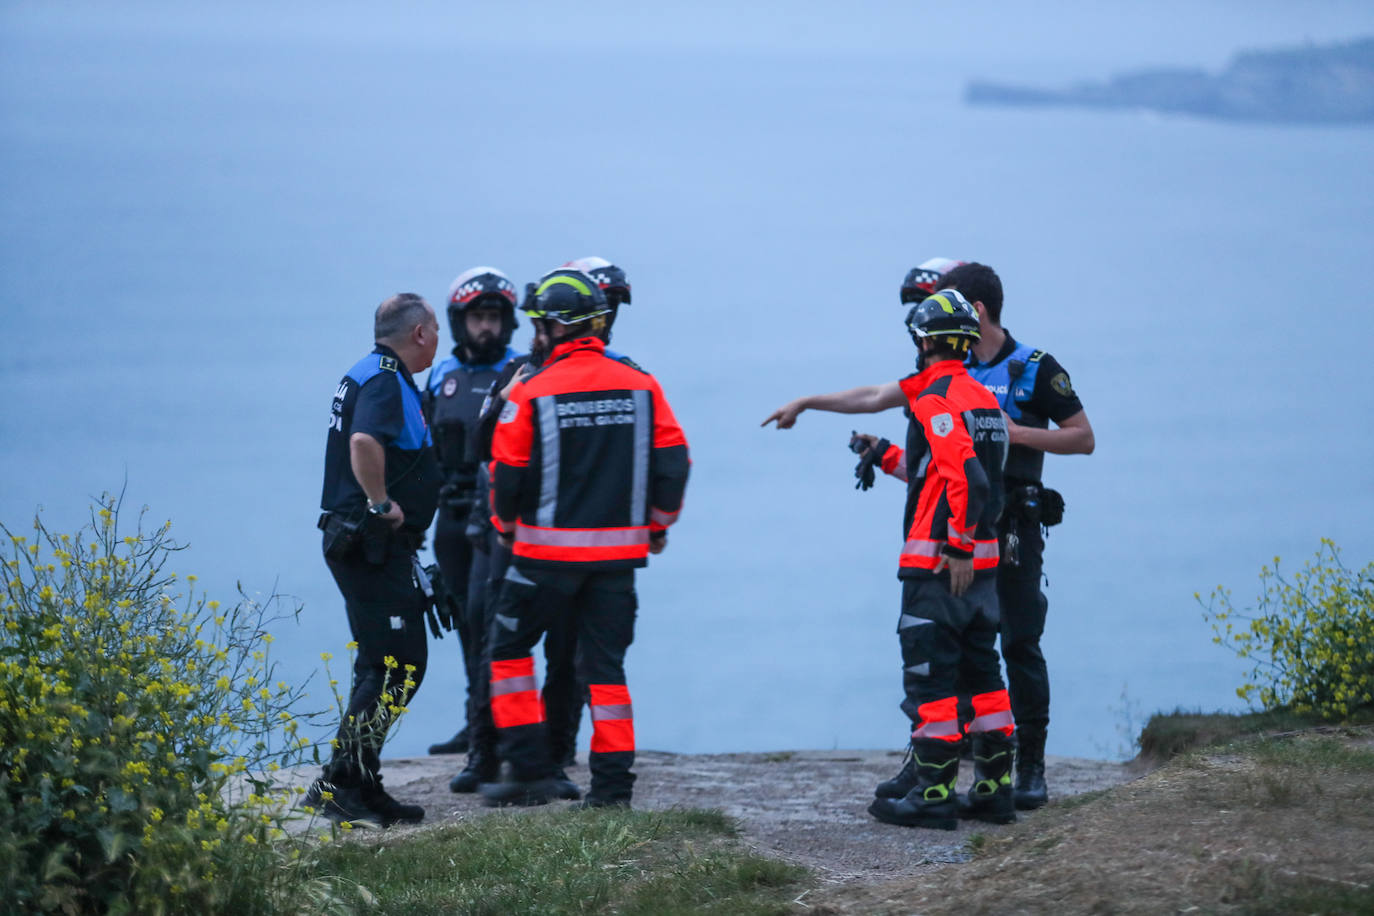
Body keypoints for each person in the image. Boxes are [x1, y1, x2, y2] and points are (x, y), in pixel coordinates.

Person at [762, 289, 1017, 829]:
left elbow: (964, 479)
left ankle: (932, 795)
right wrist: (881, 451)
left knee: (931, 680)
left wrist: (956, 548)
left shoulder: (934, 399)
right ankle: (995, 788)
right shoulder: (981, 398)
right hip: (985, 567)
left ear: (923, 342)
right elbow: (935, 461)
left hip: (941, 566)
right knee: (983, 676)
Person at [480, 267, 689, 808]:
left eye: (539, 325)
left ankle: (528, 767)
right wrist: (658, 525)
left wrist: (504, 529)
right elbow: (674, 463)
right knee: (606, 674)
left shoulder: (531, 390)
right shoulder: (642, 385)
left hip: (542, 556)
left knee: (507, 651)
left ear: (553, 328)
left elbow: (507, 471)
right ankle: (613, 790)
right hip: (618, 560)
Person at [937, 262, 1094, 810]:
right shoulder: (949, 367)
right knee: (960, 643)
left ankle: (1031, 768)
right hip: (962, 527)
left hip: (1016, 529)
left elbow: (1083, 438)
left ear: (976, 311)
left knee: (1020, 642)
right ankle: (980, 766)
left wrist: (1019, 432)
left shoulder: (1034, 368)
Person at [307, 293, 444, 828]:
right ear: (418, 334)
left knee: (382, 663)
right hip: (368, 543)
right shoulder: (386, 380)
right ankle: (341, 784)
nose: (438, 337)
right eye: (435, 328)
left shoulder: (369, 371)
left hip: (366, 544)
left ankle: (359, 781)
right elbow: (364, 441)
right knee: (399, 664)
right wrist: (382, 503)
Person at [423, 267, 523, 759]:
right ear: (459, 322)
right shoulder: (441, 376)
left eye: (494, 317)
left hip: (497, 521)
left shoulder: (522, 370)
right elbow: (419, 448)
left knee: (495, 621)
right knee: (464, 619)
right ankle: (475, 721)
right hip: (450, 517)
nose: (487, 327)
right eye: (478, 318)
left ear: (508, 323)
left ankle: (506, 727)